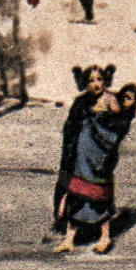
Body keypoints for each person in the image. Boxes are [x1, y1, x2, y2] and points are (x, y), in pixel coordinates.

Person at [56, 82, 136, 254]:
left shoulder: (124, 118)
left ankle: (105, 238)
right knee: (76, 196)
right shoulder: (111, 109)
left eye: (130, 98)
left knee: (100, 200)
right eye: (124, 96)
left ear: (135, 101)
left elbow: (111, 136)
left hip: (102, 163)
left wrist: (97, 117)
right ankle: (68, 239)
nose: (126, 100)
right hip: (84, 161)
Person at [53, 65, 109, 234]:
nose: (96, 84)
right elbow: (71, 128)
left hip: (97, 155)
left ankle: (90, 225)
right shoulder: (81, 102)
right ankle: (65, 222)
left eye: (100, 79)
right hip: (77, 153)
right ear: (85, 83)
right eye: (91, 80)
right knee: (72, 186)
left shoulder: (109, 102)